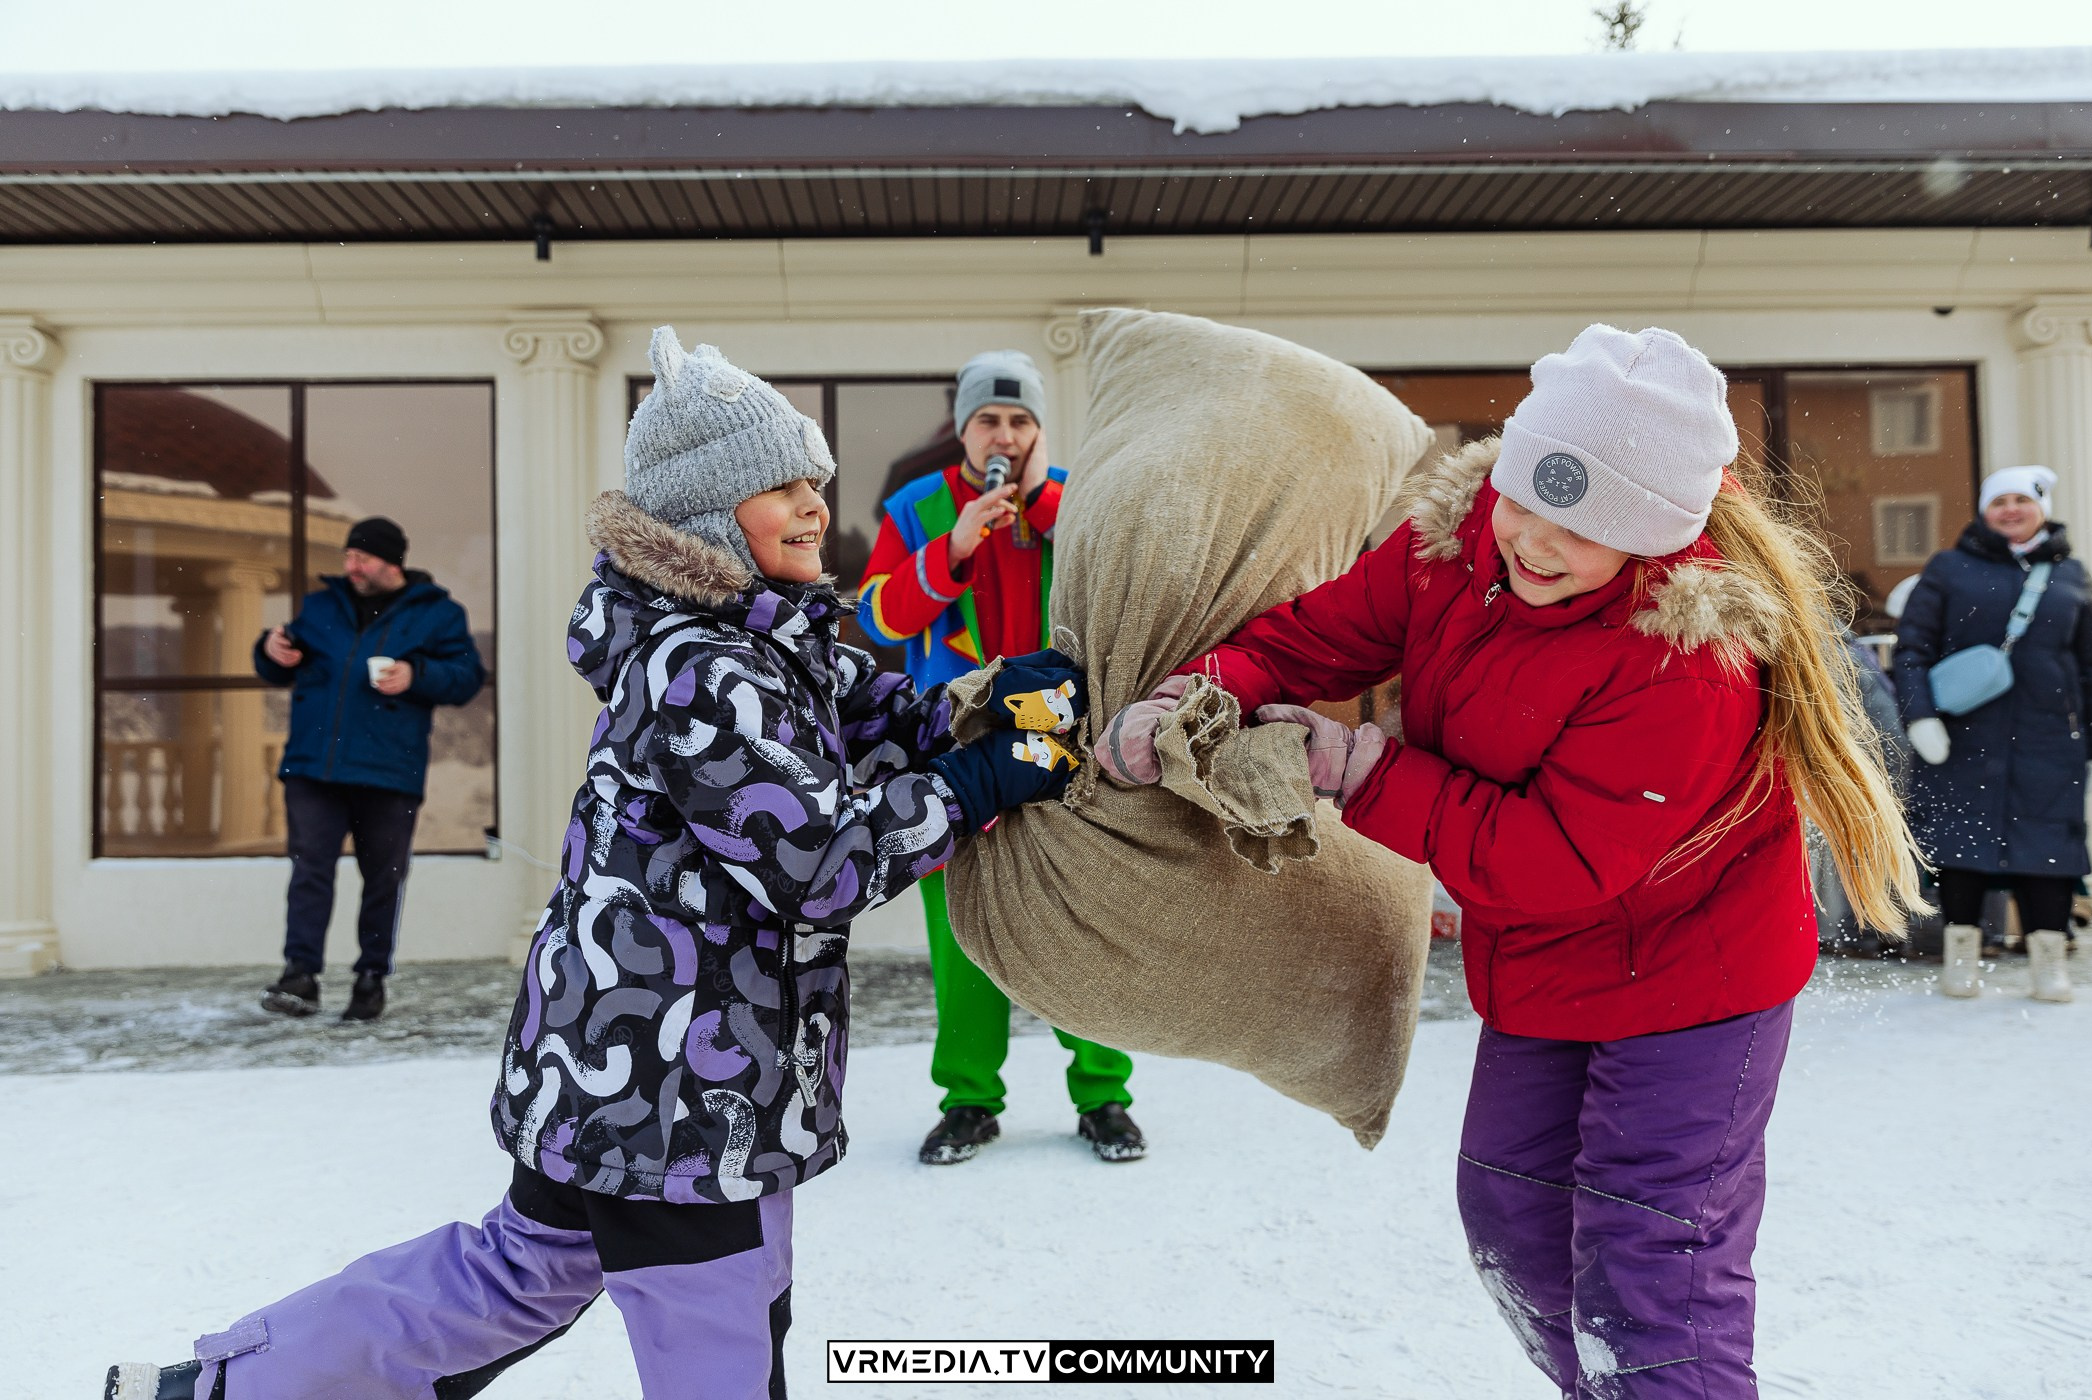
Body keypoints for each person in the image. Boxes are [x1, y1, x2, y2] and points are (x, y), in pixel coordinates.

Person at [108, 331, 1080, 1400]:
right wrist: (979, 782)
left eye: (815, 479)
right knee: (720, 1344)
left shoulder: (763, 637)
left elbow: (882, 714)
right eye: (785, 485)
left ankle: (227, 1389)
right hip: (681, 1087)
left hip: (620, 1068)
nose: (816, 503)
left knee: (512, 1276)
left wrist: (987, 701)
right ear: (712, 515)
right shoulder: (698, 664)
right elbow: (819, 860)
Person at [1100, 325, 1921, 1399]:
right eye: (1528, 499)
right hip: (1544, 966)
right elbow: (1313, 637)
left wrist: (1359, 767)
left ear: (1654, 536)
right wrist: (1198, 691)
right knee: (1515, 1228)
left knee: (1649, 1279)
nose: (1533, 540)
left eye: (1583, 527)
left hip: (1693, 984)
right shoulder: (1456, 544)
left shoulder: (1686, 655)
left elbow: (1555, 858)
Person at [858, 350, 1146, 1166]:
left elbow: (1122, 586)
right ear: (964, 429)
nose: (1006, 435)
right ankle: (968, 1101)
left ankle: (1104, 1095)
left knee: (1080, 929)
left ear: (1039, 430)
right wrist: (951, 549)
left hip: (1066, 746)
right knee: (961, 935)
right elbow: (878, 617)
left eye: (1021, 421)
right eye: (989, 419)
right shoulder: (917, 506)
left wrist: (1050, 504)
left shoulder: (1077, 500)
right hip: (956, 751)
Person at [254, 515, 485, 1021]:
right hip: (314, 766)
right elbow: (278, 661)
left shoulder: (438, 614)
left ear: (391, 562)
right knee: (310, 871)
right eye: (348, 556)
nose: (351, 566)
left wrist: (416, 674)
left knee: (383, 878)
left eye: (362, 557)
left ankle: (371, 977)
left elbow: (467, 676)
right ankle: (299, 976)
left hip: (388, 770)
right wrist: (270, 651)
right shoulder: (321, 607)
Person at [1892, 465, 2092, 1003]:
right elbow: (1912, 650)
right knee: (1961, 846)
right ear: (1984, 510)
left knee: (2049, 851)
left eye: (2021, 500)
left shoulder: (2072, 575)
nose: (2011, 510)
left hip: (2049, 744)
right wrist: (1920, 717)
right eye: (1999, 501)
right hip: (1962, 739)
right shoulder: (1948, 568)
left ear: (2041, 508)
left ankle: (2048, 964)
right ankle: (1961, 957)